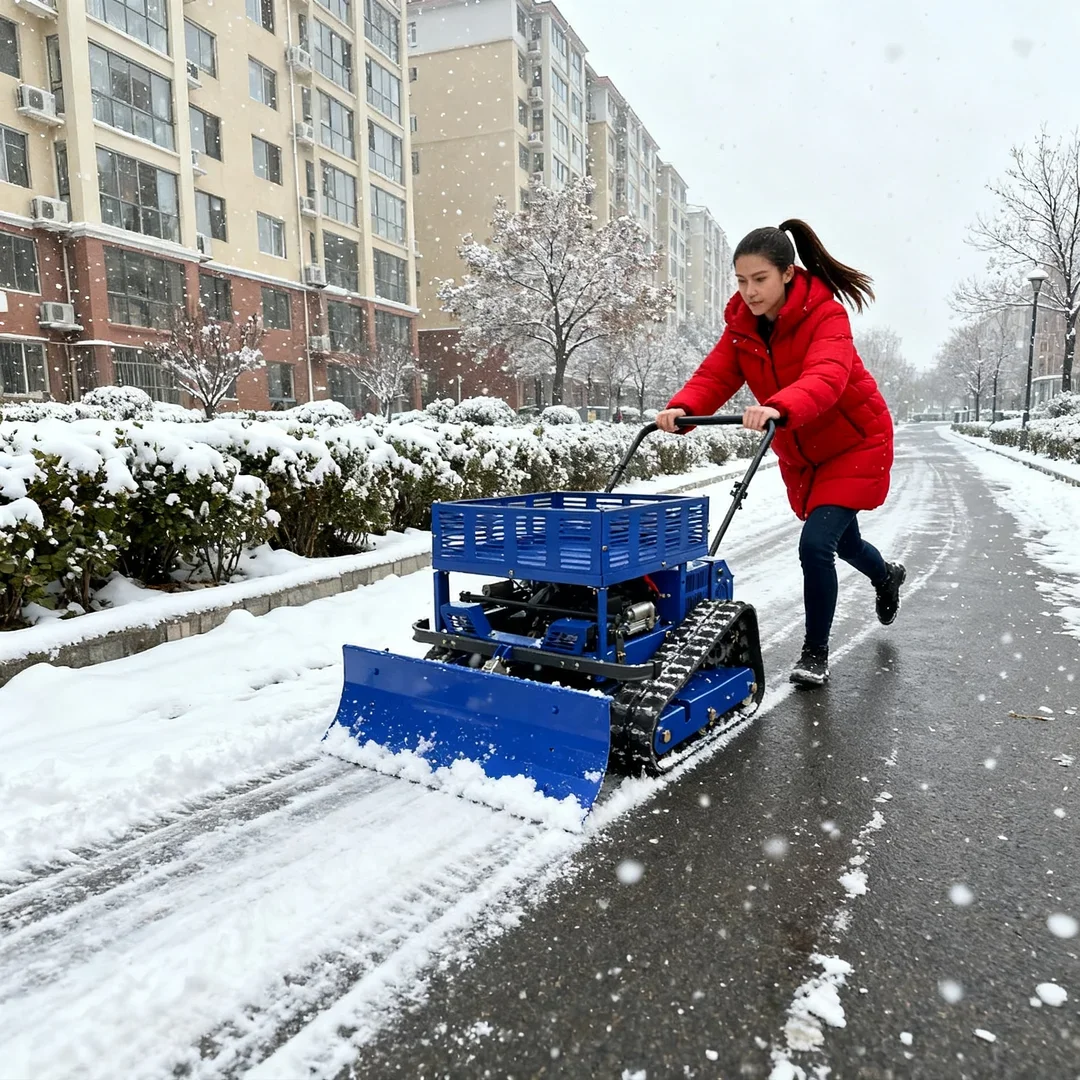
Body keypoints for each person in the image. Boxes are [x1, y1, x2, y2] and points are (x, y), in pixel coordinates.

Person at [656, 220, 905, 687]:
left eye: (760, 279)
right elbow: (714, 376)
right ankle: (886, 575)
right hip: (804, 448)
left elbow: (827, 375)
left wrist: (780, 405)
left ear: (788, 273)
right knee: (843, 542)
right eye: (741, 281)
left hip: (854, 441)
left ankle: (815, 652)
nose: (749, 291)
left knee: (816, 545)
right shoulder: (742, 329)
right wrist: (682, 408)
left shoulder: (826, 317)